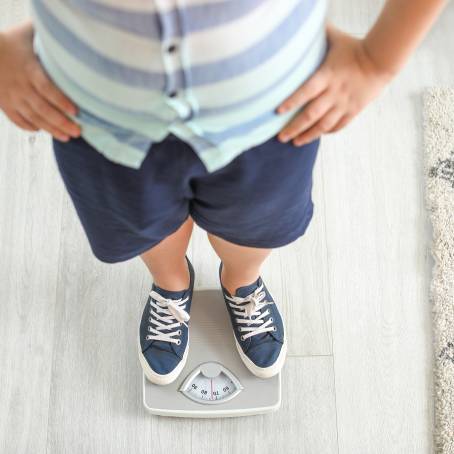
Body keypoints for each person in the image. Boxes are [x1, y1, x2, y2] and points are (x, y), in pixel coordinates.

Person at [0, 0, 447, 386]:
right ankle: (172, 284)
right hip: (98, 117)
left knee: (253, 229)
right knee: (147, 228)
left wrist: (377, 62)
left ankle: (241, 281)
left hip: (273, 114)